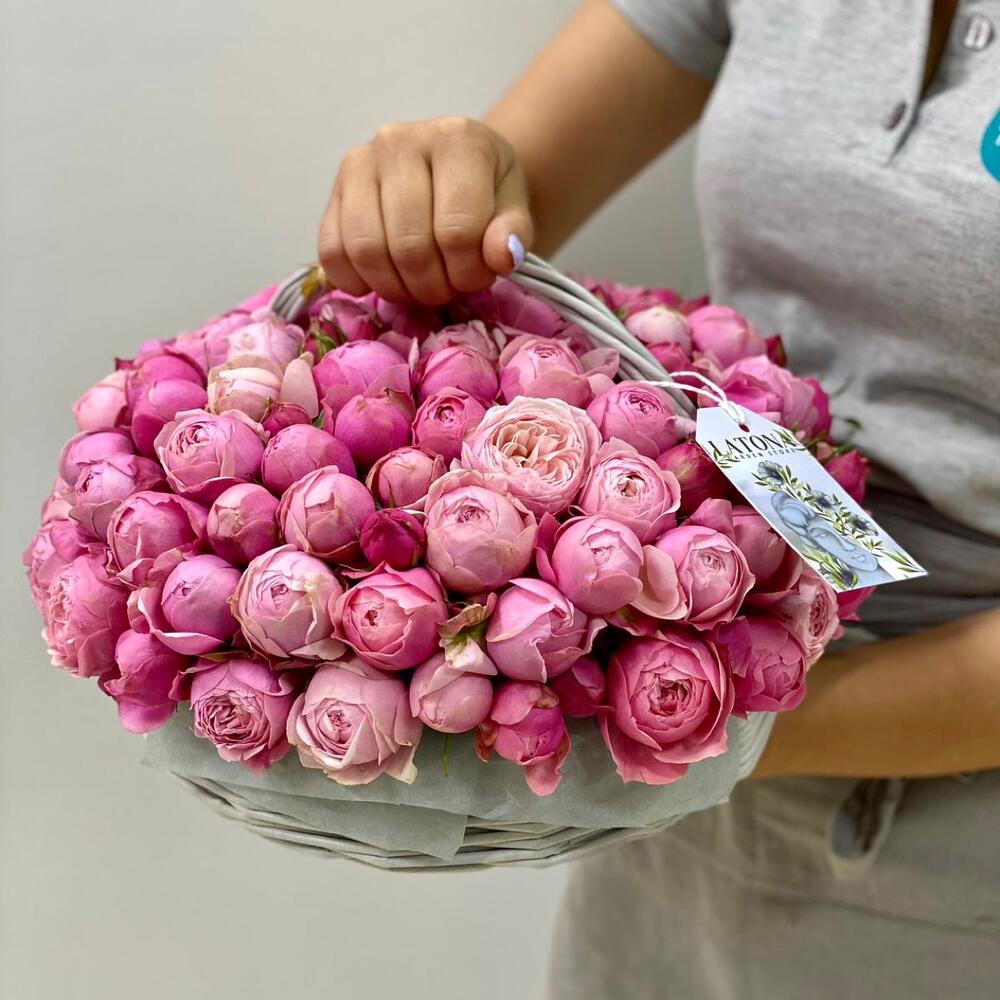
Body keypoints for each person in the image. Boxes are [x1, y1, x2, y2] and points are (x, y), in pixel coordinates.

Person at [316, 1, 1000, 995]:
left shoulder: (685, 727)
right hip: (677, 731)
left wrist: (692, 726)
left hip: (943, 820)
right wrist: (446, 185)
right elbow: (504, 205)